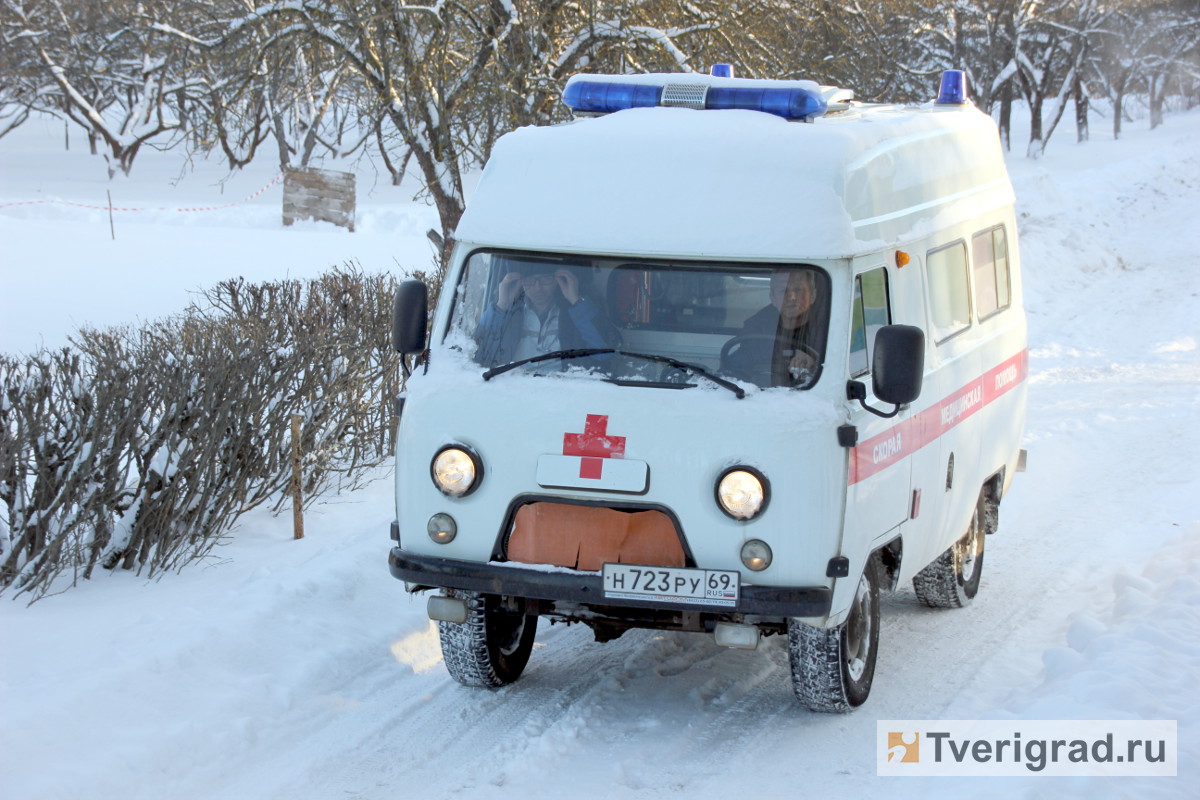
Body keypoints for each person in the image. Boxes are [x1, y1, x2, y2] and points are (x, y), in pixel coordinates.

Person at [475, 262, 620, 366]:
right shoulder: (508, 315)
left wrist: (576, 301)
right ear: (521, 283)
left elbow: (605, 354)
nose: (538, 288)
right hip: (513, 390)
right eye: (530, 280)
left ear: (558, 280)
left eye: (545, 279)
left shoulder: (575, 316)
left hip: (561, 394)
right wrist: (502, 307)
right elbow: (479, 355)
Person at [727, 269, 822, 387]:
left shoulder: (830, 326)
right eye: (783, 290)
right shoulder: (756, 327)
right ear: (772, 297)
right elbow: (737, 366)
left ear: (812, 295)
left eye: (799, 290)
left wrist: (815, 360)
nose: (792, 297)